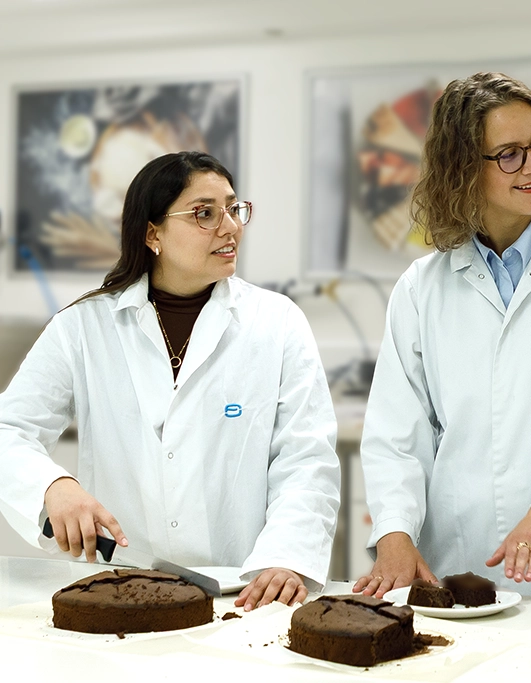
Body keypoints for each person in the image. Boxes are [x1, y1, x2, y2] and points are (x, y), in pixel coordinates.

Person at [0, 151, 341, 610]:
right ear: (152, 234)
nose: (230, 227)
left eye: (233, 209)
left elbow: (306, 458)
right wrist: (52, 486)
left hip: (243, 592)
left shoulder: (277, 322)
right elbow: (9, 429)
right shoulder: (84, 326)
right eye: (205, 213)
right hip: (120, 587)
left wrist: (287, 556)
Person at [353, 72, 531, 599]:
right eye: (509, 154)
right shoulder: (422, 287)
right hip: (454, 564)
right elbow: (397, 435)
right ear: (463, 168)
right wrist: (395, 534)